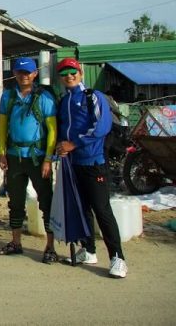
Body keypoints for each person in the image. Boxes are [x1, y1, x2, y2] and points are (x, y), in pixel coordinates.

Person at [55, 57, 128, 279]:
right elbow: (63, 129)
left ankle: (118, 258)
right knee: (82, 208)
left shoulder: (93, 97)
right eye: (65, 73)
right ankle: (89, 250)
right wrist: (61, 147)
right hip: (72, 164)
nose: (69, 76)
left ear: (81, 73)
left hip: (94, 163)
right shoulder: (64, 100)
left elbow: (101, 127)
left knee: (102, 209)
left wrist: (73, 144)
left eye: (73, 72)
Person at [0, 57, 58, 263]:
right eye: (20, 72)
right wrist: (2, 152)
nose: (24, 76)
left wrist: (48, 158)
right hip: (14, 156)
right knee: (15, 202)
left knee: (46, 201)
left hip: (37, 158)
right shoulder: (8, 97)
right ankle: (16, 242)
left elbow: (52, 130)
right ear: (15, 73)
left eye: (28, 72)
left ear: (35, 74)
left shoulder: (44, 98)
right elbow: (3, 126)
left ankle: (50, 246)